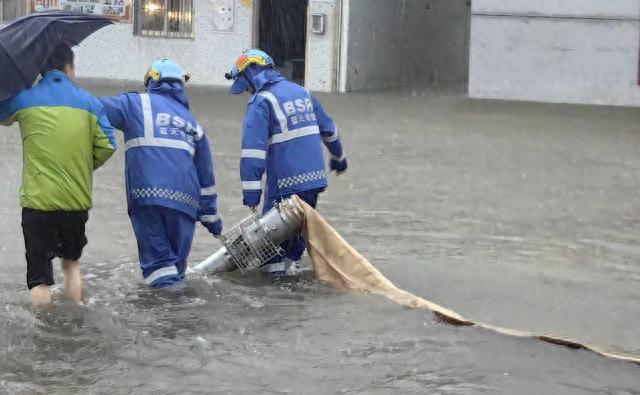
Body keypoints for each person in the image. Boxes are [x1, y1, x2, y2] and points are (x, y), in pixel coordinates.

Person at [0, 44, 117, 307]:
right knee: (71, 264)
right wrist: (81, 166)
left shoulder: (25, 98)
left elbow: (1, 112)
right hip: (74, 202)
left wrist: (16, 81)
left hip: (37, 203)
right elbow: (108, 145)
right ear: (69, 68)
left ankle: (43, 336)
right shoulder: (90, 102)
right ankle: (74, 319)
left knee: (39, 278)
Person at [225, 49, 347, 278]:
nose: (248, 91)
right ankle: (294, 288)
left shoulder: (261, 101)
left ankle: (276, 300)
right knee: (296, 241)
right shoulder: (303, 93)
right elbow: (330, 130)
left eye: (246, 85)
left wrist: (251, 195)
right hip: (312, 183)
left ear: (251, 75)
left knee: (270, 251)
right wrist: (339, 159)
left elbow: (252, 154)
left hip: (284, 185)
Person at [100, 59, 222, 288]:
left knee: (158, 269)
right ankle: (182, 315)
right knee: (176, 266)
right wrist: (213, 221)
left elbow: (91, 108)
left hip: (149, 198)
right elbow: (206, 178)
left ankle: (166, 319)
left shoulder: (134, 103)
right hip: (186, 205)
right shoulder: (192, 123)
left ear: (150, 82)